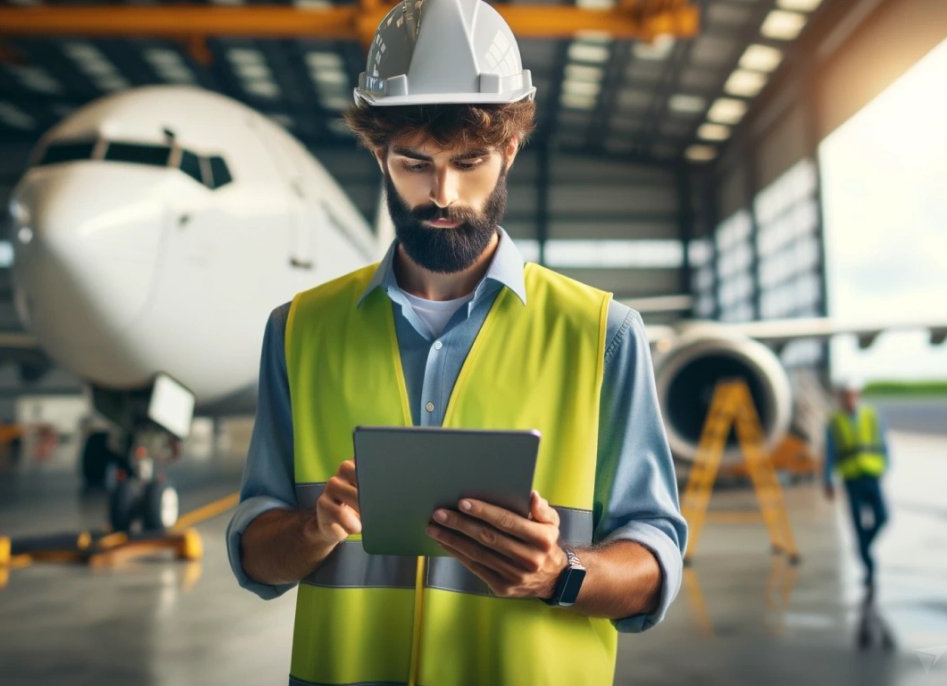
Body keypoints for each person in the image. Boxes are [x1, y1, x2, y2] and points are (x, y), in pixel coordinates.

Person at [225, 1, 686, 683]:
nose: (442, 193)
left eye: (469, 162)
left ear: (509, 151)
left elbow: (655, 564)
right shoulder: (298, 329)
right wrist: (311, 531)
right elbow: (256, 555)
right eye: (414, 163)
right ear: (379, 154)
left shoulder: (602, 335)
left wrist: (558, 574)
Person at [823, 377, 890, 597]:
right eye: (846, 395)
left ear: (858, 395)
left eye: (853, 395)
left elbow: (882, 441)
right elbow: (829, 453)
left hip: (871, 474)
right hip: (851, 479)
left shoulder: (870, 414)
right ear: (841, 398)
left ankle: (864, 548)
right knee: (858, 525)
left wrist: (885, 466)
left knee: (882, 517)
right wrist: (828, 480)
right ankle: (869, 568)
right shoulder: (834, 421)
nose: (849, 399)